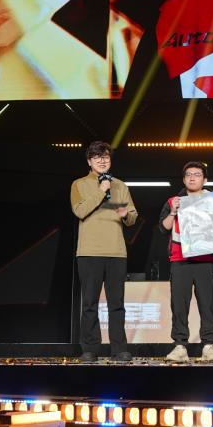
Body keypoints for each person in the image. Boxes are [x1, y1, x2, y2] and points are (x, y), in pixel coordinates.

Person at [71, 141, 138, 362]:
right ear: (89, 161)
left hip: (116, 252)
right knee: (89, 303)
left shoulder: (121, 185)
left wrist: (126, 215)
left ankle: (119, 349)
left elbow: (132, 216)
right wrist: (101, 191)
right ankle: (90, 349)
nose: (102, 161)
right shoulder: (79, 184)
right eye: (97, 157)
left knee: (117, 304)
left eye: (106, 157)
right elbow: (80, 211)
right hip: (89, 251)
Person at [160, 161, 213, 362]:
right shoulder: (174, 201)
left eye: (197, 174)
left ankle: (208, 345)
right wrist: (173, 212)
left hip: (205, 260)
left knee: (207, 305)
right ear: (183, 179)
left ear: (205, 180)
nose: (192, 178)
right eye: (188, 174)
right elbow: (163, 228)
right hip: (180, 259)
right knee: (179, 306)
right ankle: (180, 346)